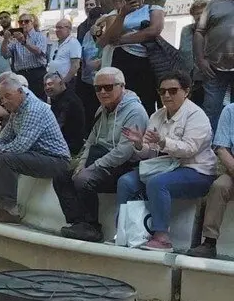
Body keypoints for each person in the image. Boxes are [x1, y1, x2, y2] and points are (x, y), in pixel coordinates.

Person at [116, 72, 216, 251]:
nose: (167, 95)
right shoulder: (157, 116)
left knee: (157, 183)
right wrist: (139, 144)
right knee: (126, 182)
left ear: (186, 91)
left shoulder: (196, 115)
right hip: (165, 167)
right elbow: (149, 153)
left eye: (173, 90)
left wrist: (163, 141)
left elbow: (189, 149)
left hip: (196, 170)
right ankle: (123, 232)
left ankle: (162, 238)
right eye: (162, 91)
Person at [52, 67, 150, 242]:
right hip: (100, 159)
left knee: (83, 179)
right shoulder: (103, 109)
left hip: (124, 165)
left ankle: (92, 226)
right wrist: (82, 164)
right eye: (98, 88)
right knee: (61, 176)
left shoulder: (135, 111)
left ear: (122, 86)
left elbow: (124, 152)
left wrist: (91, 167)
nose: (103, 92)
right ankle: (78, 222)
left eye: (109, 87)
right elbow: (90, 141)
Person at [0, 72, 72, 224]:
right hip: (36, 155)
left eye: (7, 96)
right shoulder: (18, 108)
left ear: (20, 92)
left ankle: (10, 210)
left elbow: (20, 146)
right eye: (1, 98)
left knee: (7, 158)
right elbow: (5, 137)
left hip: (56, 160)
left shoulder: (33, 109)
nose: (4, 102)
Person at [99, 0, 165, 115]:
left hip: (146, 61)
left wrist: (123, 39)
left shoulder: (153, 9)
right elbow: (109, 38)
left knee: (146, 100)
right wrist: (123, 14)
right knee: (121, 99)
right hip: (123, 60)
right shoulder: (118, 13)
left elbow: (153, 31)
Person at [188, 102, 234, 257]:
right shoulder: (230, 111)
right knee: (219, 186)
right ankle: (209, 242)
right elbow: (221, 148)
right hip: (233, 171)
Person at [195, 0, 234, 131]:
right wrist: (201, 60)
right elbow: (199, 32)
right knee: (211, 109)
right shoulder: (214, 3)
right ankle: (209, 151)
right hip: (213, 68)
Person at [1, 12, 49, 100]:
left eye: (26, 21)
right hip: (21, 74)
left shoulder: (39, 36)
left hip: (36, 73)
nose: (23, 24)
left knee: (39, 100)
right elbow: (5, 54)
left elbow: (39, 51)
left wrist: (24, 42)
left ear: (33, 23)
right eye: (20, 22)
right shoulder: (15, 39)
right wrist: (5, 39)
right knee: (21, 101)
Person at [78, 6, 106, 131]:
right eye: (92, 21)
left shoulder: (108, 33)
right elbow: (85, 55)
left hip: (103, 81)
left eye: (98, 21)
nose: (95, 24)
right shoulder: (87, 35)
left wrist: (100, 62)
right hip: (87, 80)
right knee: (88, 111)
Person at [45, 72, 85, 156]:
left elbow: (57, 127)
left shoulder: (68, 101)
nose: (47, 87)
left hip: (67, 147)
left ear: (61, 83)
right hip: (63, 143)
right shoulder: (58, 99)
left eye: (50, 84)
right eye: (45, 85)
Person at [180, 0, 209, 107]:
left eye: (202, 12)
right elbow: (184, 53)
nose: (199, 15)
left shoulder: (214, 30)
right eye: (197, 13)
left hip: (209, 78)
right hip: (190, 80)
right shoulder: (186, 30)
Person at [48, 19, 82, 93]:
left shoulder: (73, 43)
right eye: (56, 28)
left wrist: (64, 81)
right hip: (53, 81)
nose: (57, 30)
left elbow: (75, 65)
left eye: (60, 27)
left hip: (66, 82)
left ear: (69, 29)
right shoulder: (55, 43)